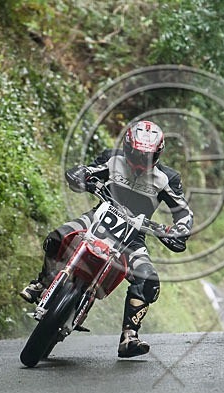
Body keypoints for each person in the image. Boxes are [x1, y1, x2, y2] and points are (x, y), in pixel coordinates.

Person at [19, 120, 193, 358]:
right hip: (96, 218)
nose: (140, 162)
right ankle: (42, 283)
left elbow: (183, 212)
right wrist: (80, 175)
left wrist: (179, 230)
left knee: (148, 280)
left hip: (132, 238)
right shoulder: (112, 158)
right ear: (127, 146)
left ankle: (129, 336)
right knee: (57, 237)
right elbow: (88, 171)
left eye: (147, 157)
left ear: (158, 154)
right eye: (137, 154)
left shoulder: (168, 178)